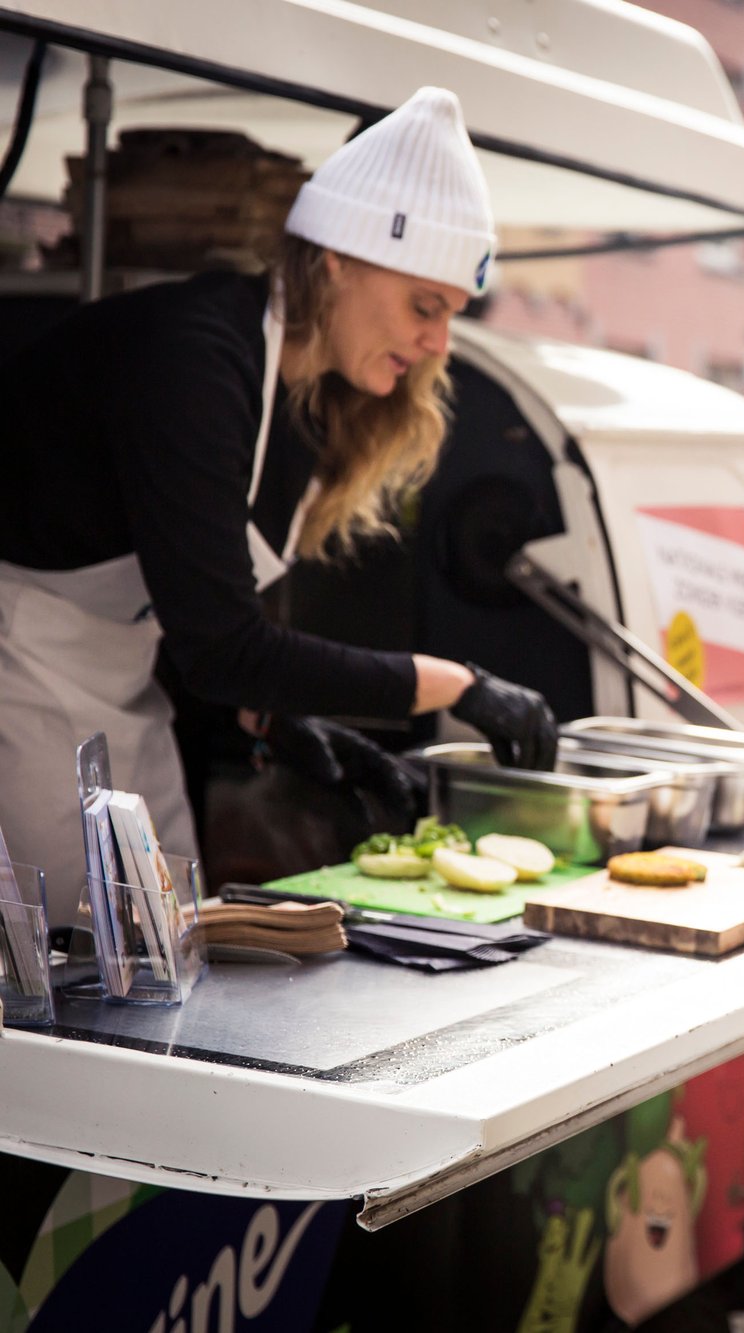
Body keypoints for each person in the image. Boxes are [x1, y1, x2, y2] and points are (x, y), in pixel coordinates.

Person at [0, 88, 557, 926]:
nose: (440, 343)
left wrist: (282, 717)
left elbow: (201, 595)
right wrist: (455, 684)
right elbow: (223, 645)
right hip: (18, 660)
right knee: (80, 945)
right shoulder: (195, 362)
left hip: (117, 675)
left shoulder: (303, 397)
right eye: (424, 306)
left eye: (451, 313)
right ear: (336, 260)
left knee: (167, 926)